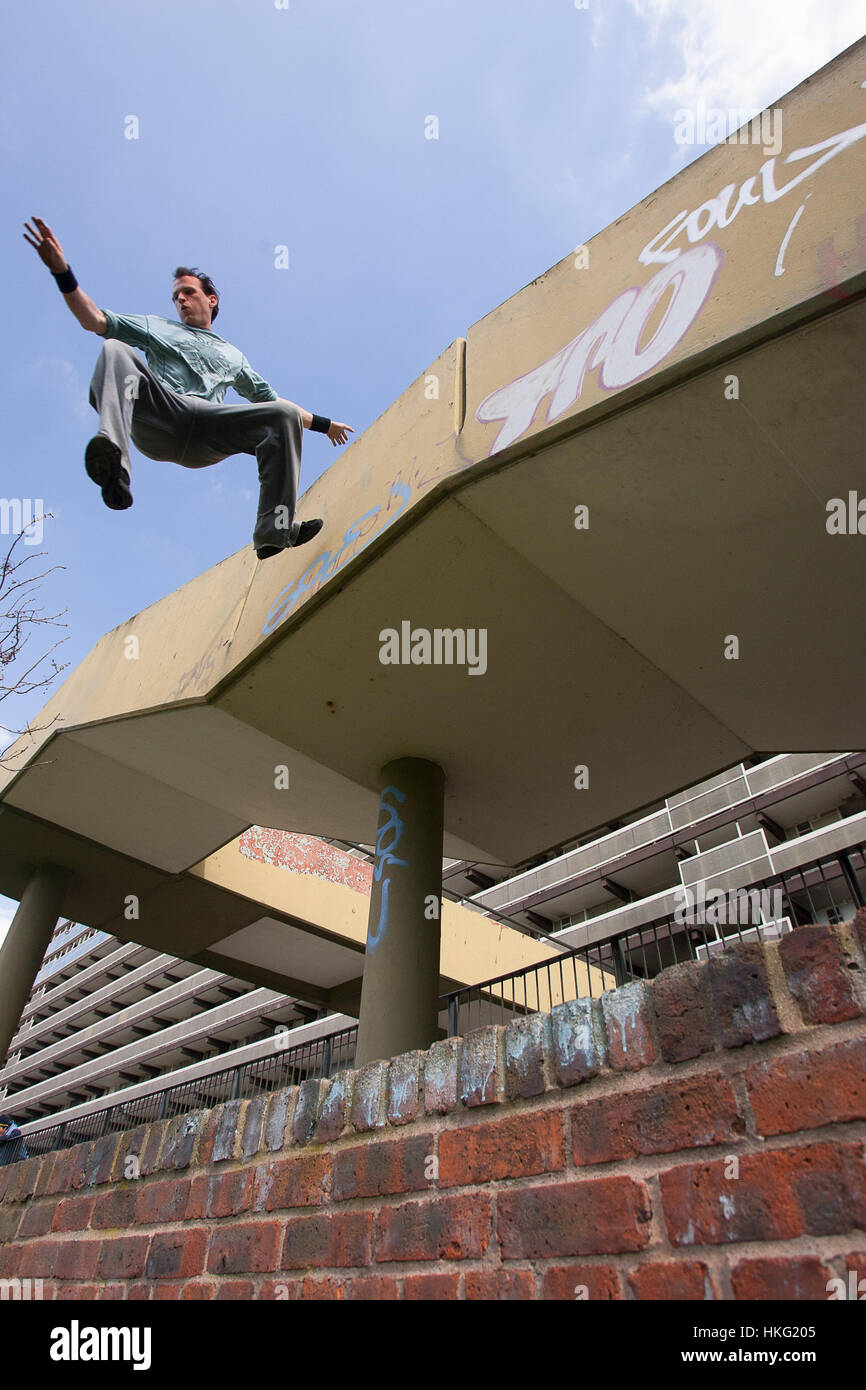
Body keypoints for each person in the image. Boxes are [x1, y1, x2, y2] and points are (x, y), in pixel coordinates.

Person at [23, 217, 354, 559]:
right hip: (162, 414)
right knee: (114, 349)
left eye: (188, 293)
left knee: (282, 414)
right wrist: (62, 271)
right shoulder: (156, 326)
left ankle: (275, 528)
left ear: (211, 300)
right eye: (176, 296)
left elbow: (272, 402)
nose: (180, 300)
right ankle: (114, 461)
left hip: (211, 429)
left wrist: (325, 425)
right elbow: (93, 319)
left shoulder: (233, 355)